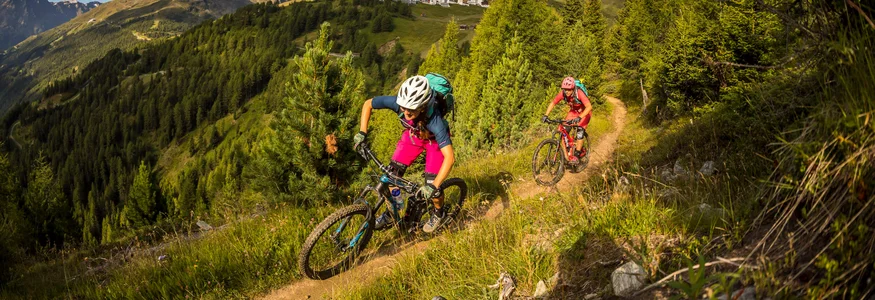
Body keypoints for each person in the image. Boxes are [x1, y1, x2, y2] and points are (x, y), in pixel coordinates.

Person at [353, 75, 455, 233]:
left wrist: (433, 186)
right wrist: (362, 132)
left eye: (411, 109)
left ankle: (438, 213)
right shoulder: (398, 103)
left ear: (422, 106)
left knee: (433, 188)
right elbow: (368, 104)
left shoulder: (436, 122)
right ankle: (395, 209)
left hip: (434, 142)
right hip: (413, 136)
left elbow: (450, 157)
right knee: (392, 175)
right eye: (403, 107)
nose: (406, 112)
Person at [541, 76, 592, 164]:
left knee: (580, 131)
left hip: (584, 112)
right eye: (565, 89)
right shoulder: (563, 93)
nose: (566, 91)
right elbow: (553, 103)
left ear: (573, 89)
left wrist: (579, 118)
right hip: (573, 112)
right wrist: (546, 115)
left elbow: (589, 107)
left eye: (569, 89)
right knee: (562, 130)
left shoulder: (579, 93)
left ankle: (577, 155)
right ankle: (565, 155)